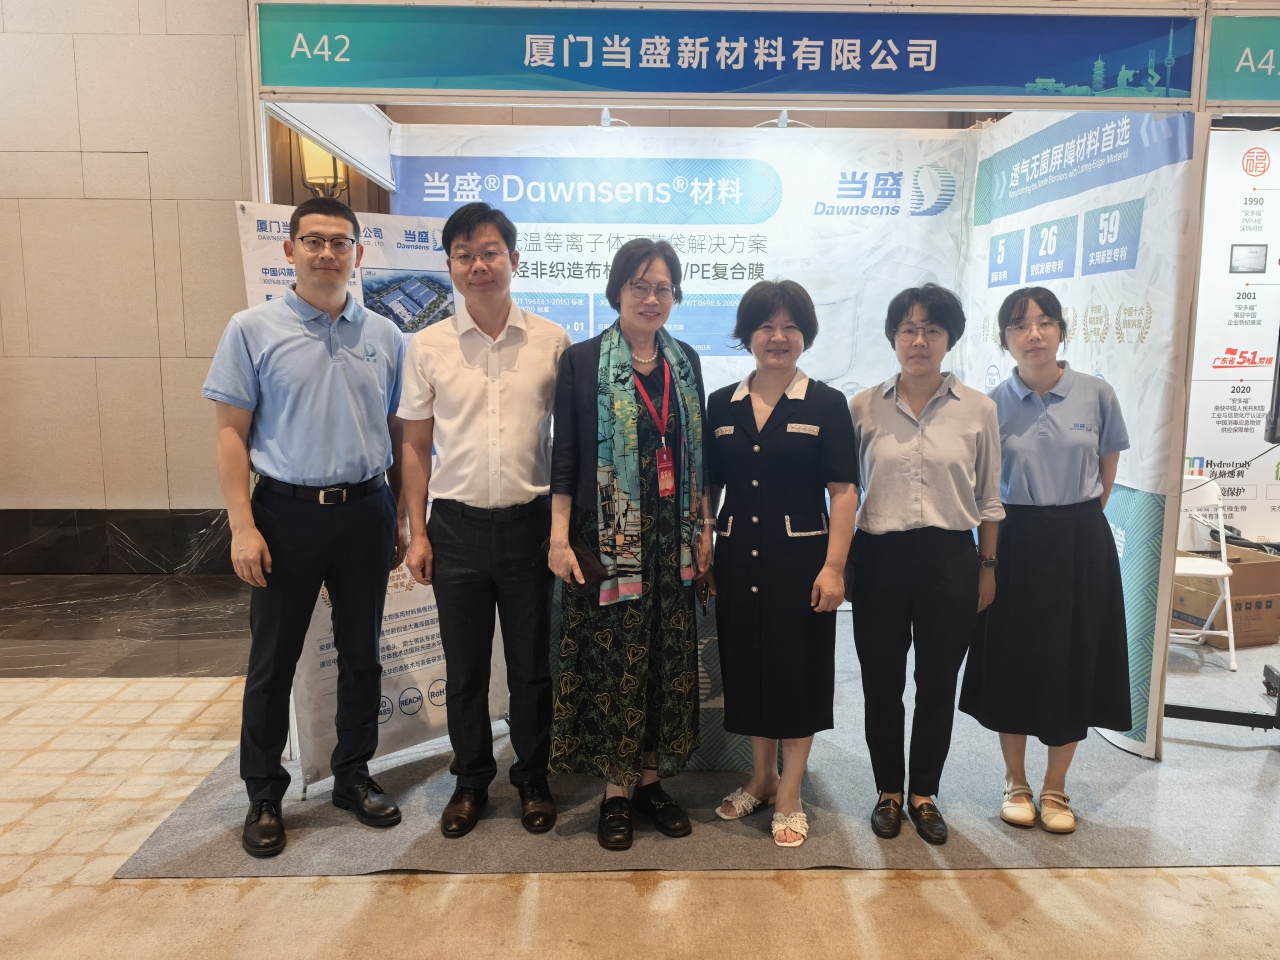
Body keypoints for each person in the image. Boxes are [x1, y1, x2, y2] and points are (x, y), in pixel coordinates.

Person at [203, 197, 407, 858]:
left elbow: (399, 432)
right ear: (289, 250)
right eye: (313, 240)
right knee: (273, 659)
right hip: (283, 515)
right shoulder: (251, 329)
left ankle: (353, 774)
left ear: (358, 254)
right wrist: (242, 527)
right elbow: (230, 435)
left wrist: (404, 516)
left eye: (339, 242)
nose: (327, 253)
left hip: (367, 510)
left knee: (362, 653)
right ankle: (264, 792)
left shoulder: (385, 336)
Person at [399, 202, 571, 840]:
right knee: (466, 668)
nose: (479, 265)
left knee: (531, 667)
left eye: (491, 251)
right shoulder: (428, 345)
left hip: (530, 527)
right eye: (465, 254)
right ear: (449, 265)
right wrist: (417, 531)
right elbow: (415, 445)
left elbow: (568, 445)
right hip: (456, 529)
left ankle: (532, 777)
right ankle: (470, 781)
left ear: (514, 259)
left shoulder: (552, 341)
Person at [547, 238, 712, 852]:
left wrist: (703, 530)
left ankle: (649, 783)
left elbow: (697, 457)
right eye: (639, 286)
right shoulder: (583, 360)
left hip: (672, 544)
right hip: (609, 543)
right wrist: (558, 537)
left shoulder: (685, 361)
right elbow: (565, 456)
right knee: (615, 663)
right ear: (617, 291)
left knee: (664, 662)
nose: (651, 298)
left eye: (663, 288)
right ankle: (614, 793)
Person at [960, 286, 1131, 835]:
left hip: (1081, 538)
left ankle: (1056, 787)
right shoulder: (990, 404)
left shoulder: (1097, 394)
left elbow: (1105, 471)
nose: (1033, 334)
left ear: (1060, 330)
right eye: (1019, 325)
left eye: (1044, 322)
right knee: (1012, 658)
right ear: (1004, 338)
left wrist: (1075, 522)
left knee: (1075, 655)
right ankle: (1016, 781)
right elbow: (987, 486)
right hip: (1013, 538)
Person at [848, 282, 1003, 846]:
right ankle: (889, 791)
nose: (919, 340)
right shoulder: (862, 406)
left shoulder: (979, 409)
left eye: (932, 330)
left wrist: (987, 565)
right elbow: (844, 493)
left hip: (951, 560)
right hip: (879, 557)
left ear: (949, 339)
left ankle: (924, 795)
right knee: (881, 682)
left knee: (938, 682)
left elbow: (990, 498)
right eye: (909, 329)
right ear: (894, 337)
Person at [705, 280, 859, 848]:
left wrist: (835, 567)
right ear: (747, 335)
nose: (778, 336)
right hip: (736, 561)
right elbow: (709, 485)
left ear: (805, 336)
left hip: (802, 564)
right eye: (766, 326)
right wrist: (704, 542)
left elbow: (844, 491)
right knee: (748, 668)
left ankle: (790, 792)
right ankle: (761, 778)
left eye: (790, 326)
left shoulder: (826, 404)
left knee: (798, 673)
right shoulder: (721, 404)